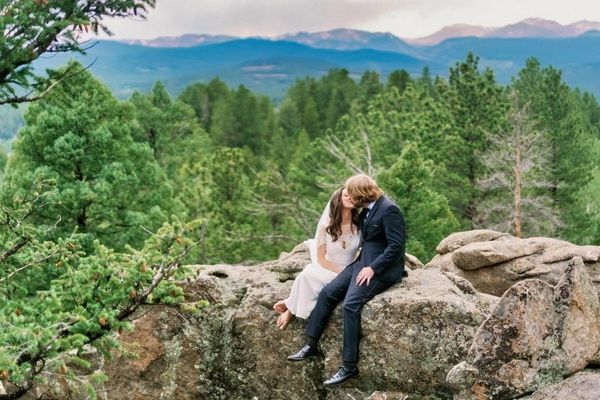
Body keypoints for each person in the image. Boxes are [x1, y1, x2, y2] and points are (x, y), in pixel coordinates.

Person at [287, 174, 406, 387]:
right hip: (361, 264)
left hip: (380, 270)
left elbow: (396, 246)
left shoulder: (389, 209)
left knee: (350, 306)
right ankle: (311, 344)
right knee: (328, 293)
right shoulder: (367, 211)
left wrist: (373, 268)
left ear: (361, 193)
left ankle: (349, 366)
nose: (348, 196)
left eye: (351, 192)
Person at [273, 187, 361, 329]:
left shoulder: (359, 225)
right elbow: (321, 259)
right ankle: (291, 309)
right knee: (307, 275)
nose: (351, 198)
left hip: (351, 268)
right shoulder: (326, 227)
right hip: (331, 266)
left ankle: (290, 306)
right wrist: (341, 273)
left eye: (353, 196)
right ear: (338, 200)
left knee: (316, 281)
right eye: (346, 195)